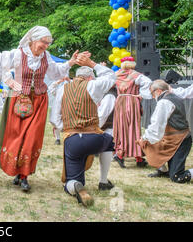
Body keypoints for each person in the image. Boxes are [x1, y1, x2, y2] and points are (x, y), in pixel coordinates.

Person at [0, 26, 80, 192]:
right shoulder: (17, 54)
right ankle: (17, 171)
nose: (45, 46)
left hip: (39, 100)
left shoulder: (46, 56)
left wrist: (70, 62)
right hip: (18, 99)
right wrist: (9, 81)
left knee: (32, 139)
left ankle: (24, 176)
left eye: (48, 43)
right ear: (32, 40)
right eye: (43, 42)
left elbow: (55, 73)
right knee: (16, 136)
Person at [51, 55, 117, 207]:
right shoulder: (92, 85)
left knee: (71, 179)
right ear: (90, 78)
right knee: (109, 140)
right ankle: (103, 180)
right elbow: (110, 76)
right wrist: (92, 63)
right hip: (95, 138)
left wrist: (66, 128)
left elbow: (55, 118)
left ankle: (75, 186)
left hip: (72, 139)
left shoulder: (62, 89)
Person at [138, 80, 192, 183]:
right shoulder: (173, 97)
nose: (152, 97)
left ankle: (165, 170)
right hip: (173, 139)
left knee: (177, 177)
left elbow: (157, 125)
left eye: (152, 93)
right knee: (153, 145)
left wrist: (145, 138)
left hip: (181, 141)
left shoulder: (164, 102)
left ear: (158, 91)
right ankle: (162, 170)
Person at [112, 56, 152, 168]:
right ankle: (126, 155)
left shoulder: (116, 74)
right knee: (133, 128)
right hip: (131, 101)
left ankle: (135, 157)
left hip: (120, 101)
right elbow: (148, 82)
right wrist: (142, 94)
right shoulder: (136, 75)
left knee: (122, 128)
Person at [48, 77, 71, 145]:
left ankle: (68, 138)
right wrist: (59, 81)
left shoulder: (72, 91)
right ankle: (57, 139)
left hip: (68, 110)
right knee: (56, 124)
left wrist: (69, 81)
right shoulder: (58, 91)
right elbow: (51, 88)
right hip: (58, 110)